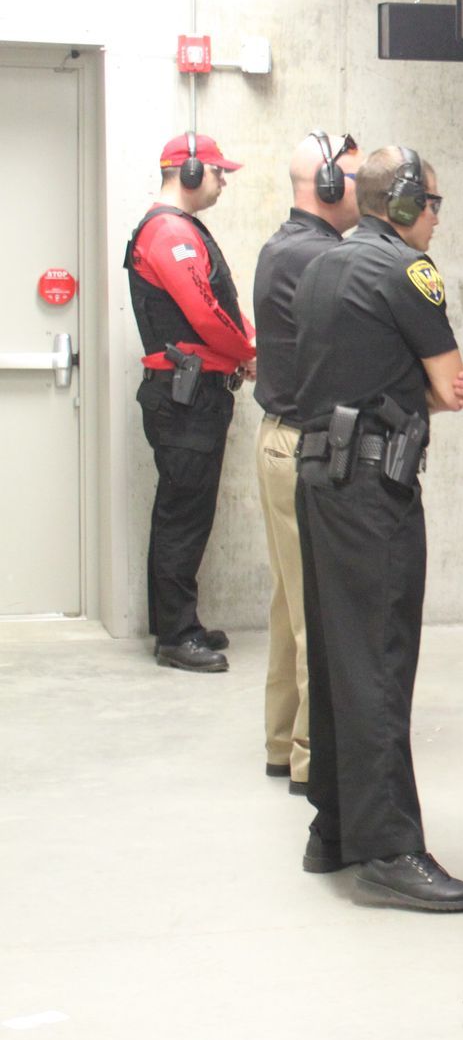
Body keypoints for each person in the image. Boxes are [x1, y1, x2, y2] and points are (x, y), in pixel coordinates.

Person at [292, 145, 463, 911]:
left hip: (321, 478)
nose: (436, 218)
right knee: (380, 661)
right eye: (432, 203)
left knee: (340, 655)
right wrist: (420, 388)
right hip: (375, 486)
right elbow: (450, 386)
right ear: (402, 203)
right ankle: (391, 848)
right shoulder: (408, 272)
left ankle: (334, 828)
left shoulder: (320, 266)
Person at [252, 132, 361, 794]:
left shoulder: (286, 247)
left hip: (280, 441)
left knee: (290, 605)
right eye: (351, 176)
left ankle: (281, 742)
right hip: (302, 447)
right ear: (323, 185)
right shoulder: (320, 261)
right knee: (316, 611)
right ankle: (312, 760)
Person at [126, 132, 254, 673]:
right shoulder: (169, 232)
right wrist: (249, 350)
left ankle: (179, 623)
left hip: (193, 394)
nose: (224, 182)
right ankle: (177, 635)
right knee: (183, 514)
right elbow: (204, 314)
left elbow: (218, 304)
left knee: (188, 511)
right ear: (191, 171)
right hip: (186, 398)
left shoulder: (180, 231)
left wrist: (243, 347)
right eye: (219, 172)